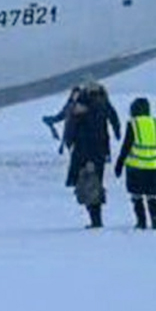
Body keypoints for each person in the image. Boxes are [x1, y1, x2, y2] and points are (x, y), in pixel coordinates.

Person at [114, 97, 156, 229]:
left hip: (136, 166)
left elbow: (126, 146)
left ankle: (141, 221)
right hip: (155, 165)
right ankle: (155, 221)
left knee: (137, 195)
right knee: (153, 195)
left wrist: (119, 164)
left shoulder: (133, 124)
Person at [64, 85, 112, 228]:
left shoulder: (85, 117)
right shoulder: (97, 113)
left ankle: (96, 221)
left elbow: (73, 135)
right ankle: (95, 219)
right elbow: (105, 134)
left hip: (87, 157)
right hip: (94, 155)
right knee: (91, 187)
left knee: (90, 188)